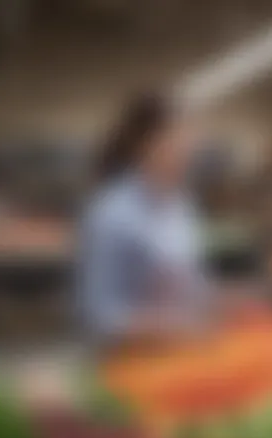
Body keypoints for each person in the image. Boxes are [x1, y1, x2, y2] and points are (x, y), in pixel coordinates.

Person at [78, 92, 210, 349]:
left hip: (184, 353)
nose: (190, 147)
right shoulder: (110, 213)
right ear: (146, 145)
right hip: (131, 360)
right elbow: (97, 313)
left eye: (190, 137)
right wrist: (169, 328)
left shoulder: (182, 204)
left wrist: (224, 302)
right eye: (179, 137)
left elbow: (193, 283)